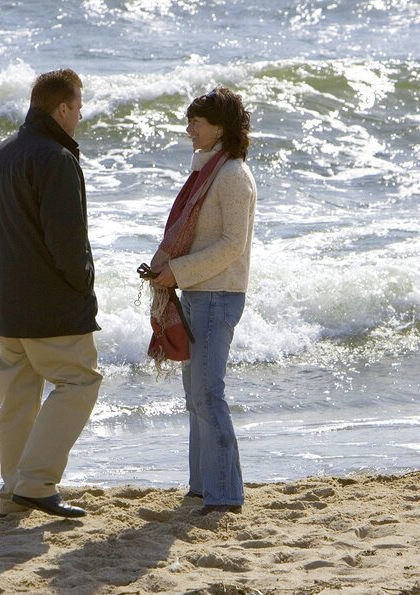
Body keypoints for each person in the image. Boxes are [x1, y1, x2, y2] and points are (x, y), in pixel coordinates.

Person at [0, 68, 102, 519]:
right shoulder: (56, 158)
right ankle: (36, 482)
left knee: (19, 394)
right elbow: (67, 240)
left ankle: (13, 488)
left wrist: (16, 246)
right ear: (61, 108)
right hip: (51, 305)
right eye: (78, 107)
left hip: (7, 300)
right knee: (79, 381)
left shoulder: (3, 153)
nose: (80, 116)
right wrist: (83, 281)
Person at [149, 86, 257, 515]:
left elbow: (233, 245)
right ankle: (202, 487)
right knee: (194, 395)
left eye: (197, 120)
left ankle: (226, 495)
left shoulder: (232, 176)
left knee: (209, 394)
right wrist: (163, 267)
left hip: (218, 295)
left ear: (221, 128)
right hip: (197, 294)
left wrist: (179, 271)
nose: (189, 127)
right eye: (191, 119)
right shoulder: (206, 172)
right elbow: (190, 233)